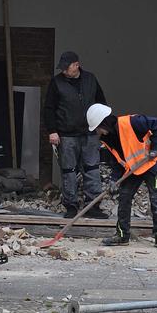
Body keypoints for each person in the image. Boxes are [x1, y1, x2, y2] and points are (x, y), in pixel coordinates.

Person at [86, 103, 157, 250]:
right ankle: (122, 235)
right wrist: (114, 180)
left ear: (104, 122)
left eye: (98, 128)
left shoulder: (132, 122)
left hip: (153, 163)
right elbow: (117, 161)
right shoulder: (108, 139)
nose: (98, 132)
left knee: (156, 198)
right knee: (124, 197)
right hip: (134, 168)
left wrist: (154, 148)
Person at [43, 51, 109, 219]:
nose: (64, 71)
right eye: (63, 68)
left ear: (76, 65)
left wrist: (102, 126)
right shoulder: (56, 82)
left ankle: (93, 206)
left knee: (92, 169)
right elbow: (49, 108)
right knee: (68, 171)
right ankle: (71, 206)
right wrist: (52, 130)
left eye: (67, 68)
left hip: (89, 133)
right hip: (66, 134)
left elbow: (101, 103)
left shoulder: (90, 79)